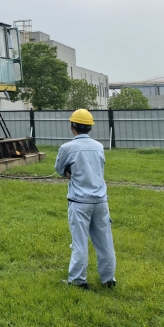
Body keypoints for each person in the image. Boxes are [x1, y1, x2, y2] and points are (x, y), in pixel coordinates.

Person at [54, 109, 117, 289]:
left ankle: (78, 280)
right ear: (90, 127)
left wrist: (68, 171)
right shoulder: (99, 146)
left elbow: (60, 170)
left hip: (79, 202)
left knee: (79, 242)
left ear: (72, 126)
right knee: (105, 242)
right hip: (100, 201)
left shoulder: (67, 148)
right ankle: (108, 280)